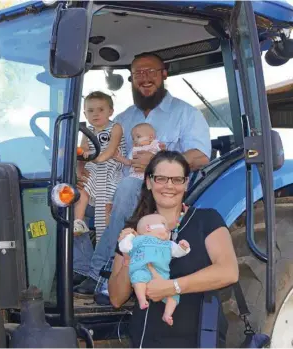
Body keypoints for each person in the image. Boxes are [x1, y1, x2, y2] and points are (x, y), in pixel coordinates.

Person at [74, 52, 212, 295]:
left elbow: (200, 156)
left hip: (163, 190)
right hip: (118, 184)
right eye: (138, 73)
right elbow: (102, 148)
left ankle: (102, 274)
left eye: (151, 72)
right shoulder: (123, 118)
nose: (145, 78)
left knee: (127, 188)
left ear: (164, 74)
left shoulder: (185, 113)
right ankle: (79, 268)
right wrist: (81, 166)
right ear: (131, 79)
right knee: (64, 196)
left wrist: (158, 163)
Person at [109, 150, 238, 348]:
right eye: (161, 178)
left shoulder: (207, 220)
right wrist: (130, 257)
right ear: (149, 182)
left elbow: (228, 271)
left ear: (186, 184)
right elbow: (116, 298)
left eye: (177, 179)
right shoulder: (134, 230)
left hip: (199, 340)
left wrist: (173, 287)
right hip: (147, 341)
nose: (169, 186)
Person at [73, 91, 126, 282]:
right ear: (85, 114)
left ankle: (105, 261)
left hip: (111, 171)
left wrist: (95, 158)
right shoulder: (86, 132)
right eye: (90, 110)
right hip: (94, 171)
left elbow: (110, 151)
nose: (96, 114)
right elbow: (81, 153)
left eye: (101, 110)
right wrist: (80, 173)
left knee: (107, 211)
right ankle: (78, 222)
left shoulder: (116, 128)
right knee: (78, 192)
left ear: (111, 111)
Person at [118, 213, 190, 326]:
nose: (168, 229)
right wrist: (127, 238)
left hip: (163, 277)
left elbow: (178, 252)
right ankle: (142, 299)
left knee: (174, 295)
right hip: (142, 268)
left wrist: (183, 247)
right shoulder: (139, 240)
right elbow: (125, 247)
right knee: (139, 277)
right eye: (163, 225)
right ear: (148, 228)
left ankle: (167, 314)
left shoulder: (168, 244)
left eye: (168, 228)